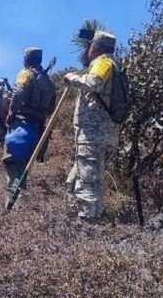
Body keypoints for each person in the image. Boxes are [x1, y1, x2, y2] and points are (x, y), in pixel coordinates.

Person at [63, 31, 120, 222]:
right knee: (73, 182)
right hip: (100, 135)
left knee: (88, 185)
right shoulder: (114, 65)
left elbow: (94, 82)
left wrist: (73, 78)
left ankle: (89, 227)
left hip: (93, 135)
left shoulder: (103, 62)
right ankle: (73, 224)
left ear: (94, 47)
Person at [2, 47, 56, 211]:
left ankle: (17, 211)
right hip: (38, 132)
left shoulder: (25, 73)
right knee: (24, 169)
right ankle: (23, 209)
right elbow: (51, 108)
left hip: (22, 129)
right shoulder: (49, 81)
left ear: (26, 59)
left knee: (14, 169)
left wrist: (11, 112)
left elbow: (18, 92)